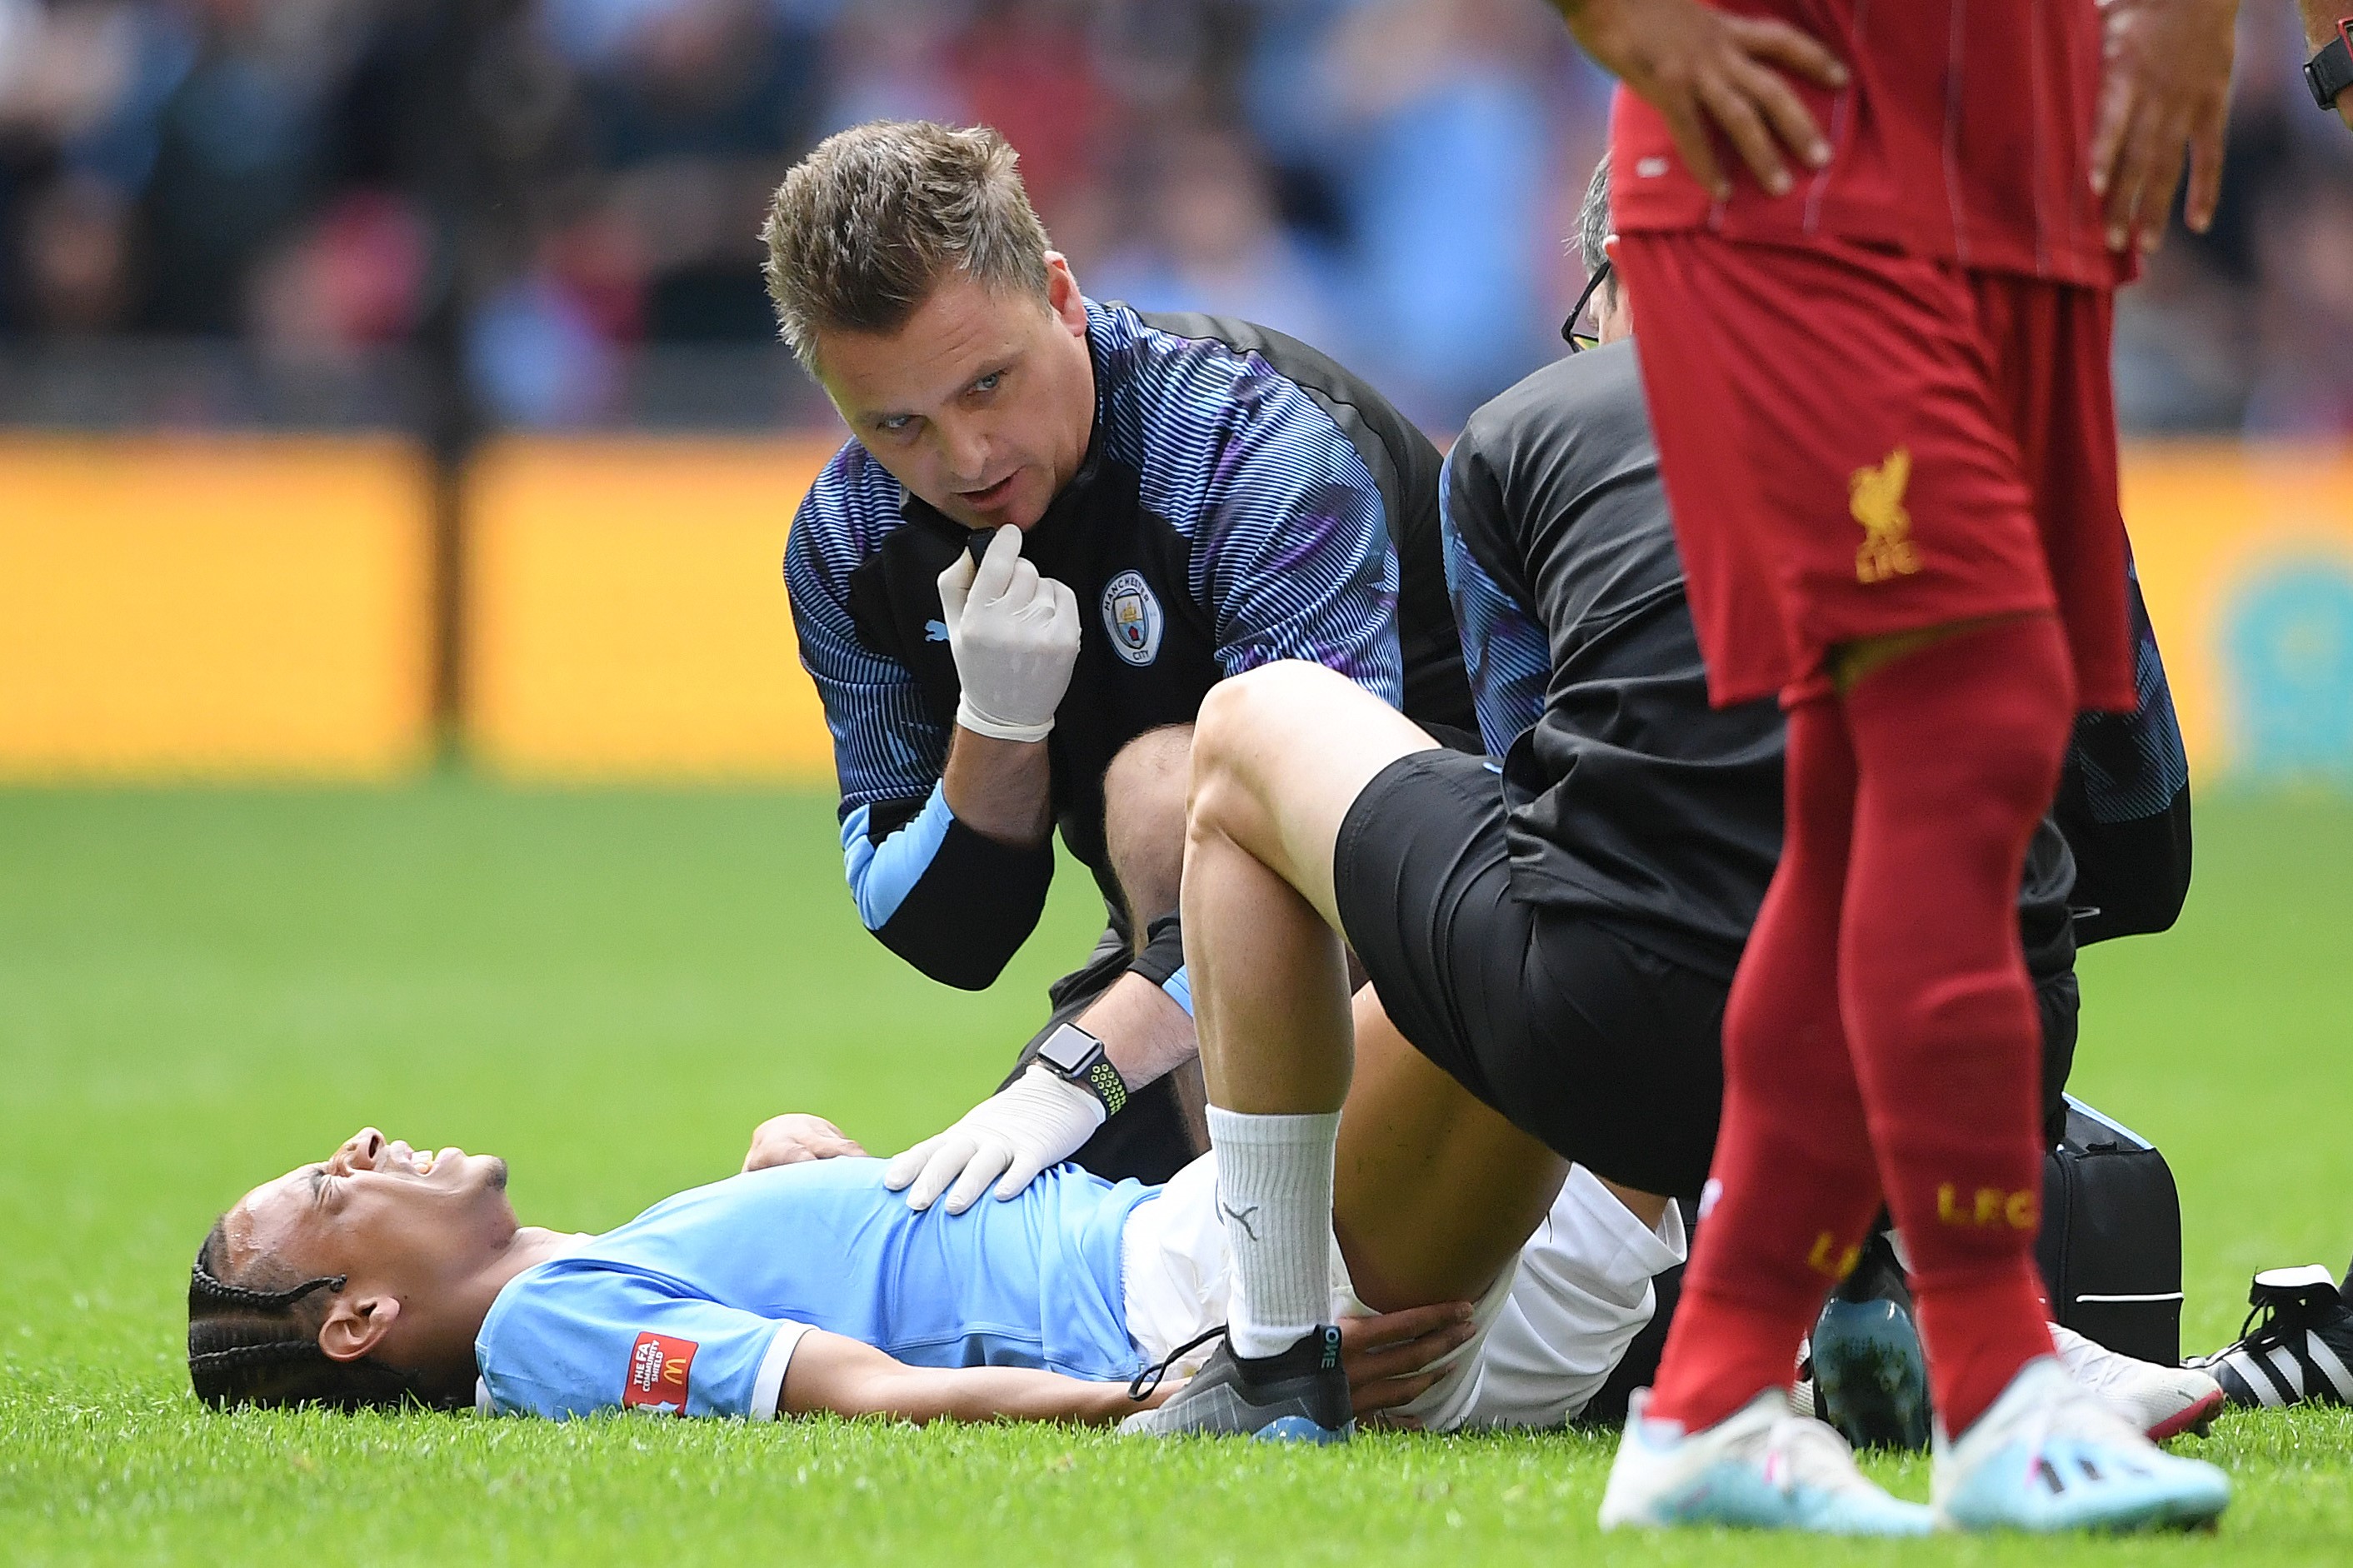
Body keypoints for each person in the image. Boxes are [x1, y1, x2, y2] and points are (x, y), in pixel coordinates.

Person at [1131, 147, 2223, 1526]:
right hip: (1995, 1077)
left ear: (1631, 273)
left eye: (1594, 302)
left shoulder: (1531, 432)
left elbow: (1560, 821)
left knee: (1254, 726)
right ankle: (1876, 1289)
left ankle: (1277, 1361)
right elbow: (2148, 850)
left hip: (1618, 1057)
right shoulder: (2010, 410)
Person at [1516, 0, 2251, 1536]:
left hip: (2011, 182)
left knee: (1869, 794)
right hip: (1800, 179)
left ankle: (1715, 1389)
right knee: (1973, 734)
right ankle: (1994, 1378)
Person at [763, 119, 1475, 1203]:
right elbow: (942, 933)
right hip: (1185, 974)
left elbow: (1327, 864)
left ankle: (1267, 1295)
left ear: (1058, 294)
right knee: (922, 1245)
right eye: (896, 423)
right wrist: (994, 730)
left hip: (1463, 939)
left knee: (1165, 795)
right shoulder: (850, 543)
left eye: (989, 385)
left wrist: (1072, 1074)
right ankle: (1222, 1270)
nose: (964, 458)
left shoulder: (1251, 447)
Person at [184, 1011, 1691, 1431]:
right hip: (1220, 1288)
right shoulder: (542, 1327)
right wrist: (1202, 1391)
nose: (362, 1145)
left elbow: (847, 1309)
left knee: (1638, 927)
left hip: (1261, 1268)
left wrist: (821, 1172)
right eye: (332, 1187)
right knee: (1504, 911)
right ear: (360, 1319)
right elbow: (868, 1388)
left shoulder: (587, 1271)